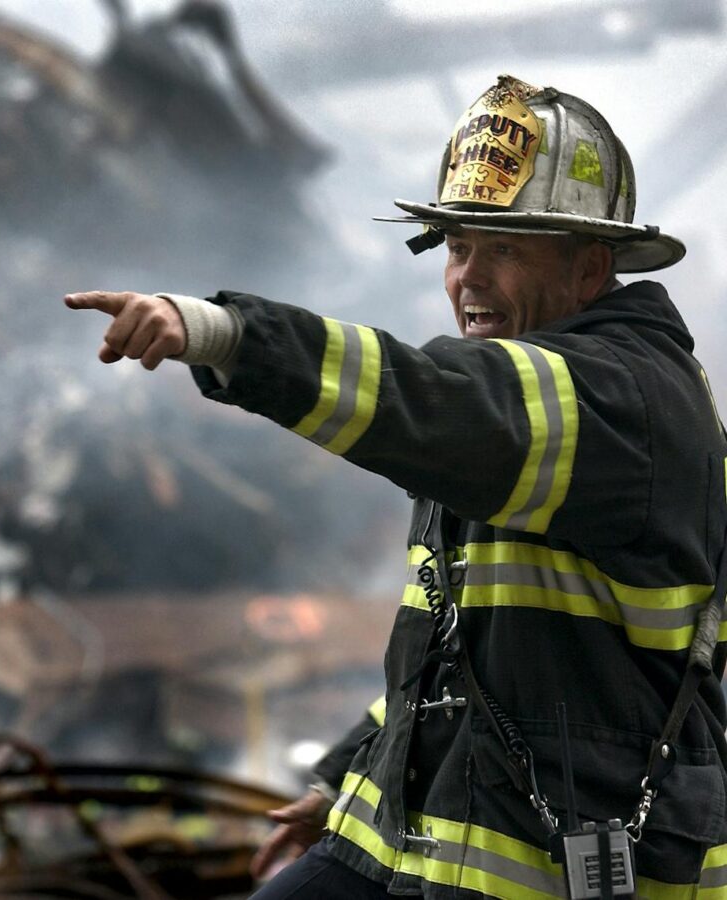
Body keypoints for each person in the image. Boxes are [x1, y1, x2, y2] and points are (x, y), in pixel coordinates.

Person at [65, 74, 727, 897]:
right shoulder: (527, 404)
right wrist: (348, 773)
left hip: (545, 870)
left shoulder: (618, 400)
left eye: (506, 249)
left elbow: (431, 397)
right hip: (413, 843)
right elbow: (459, 644)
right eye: (457, 248)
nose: (468, 279)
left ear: (591, 268)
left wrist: (227, 334)